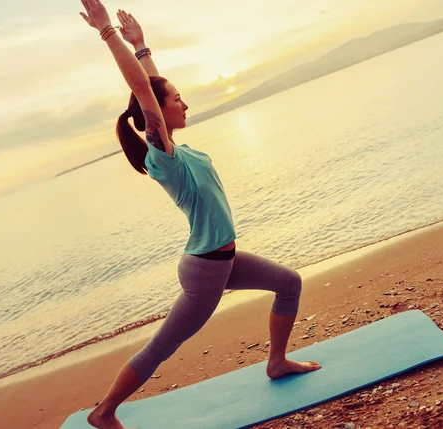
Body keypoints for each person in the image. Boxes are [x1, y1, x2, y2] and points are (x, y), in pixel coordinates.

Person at [78, 1, 321, 428]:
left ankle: (277, 362)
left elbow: (150, 85)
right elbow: (143, 89)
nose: (184, 103)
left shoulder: (180, 149)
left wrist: (142, 44)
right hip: (206, 270)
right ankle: (104, 412)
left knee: (289, 283)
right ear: (158, 112)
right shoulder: (163, 156)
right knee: (161, 348)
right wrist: (108, 33)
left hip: (221, 261)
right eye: (176, 99)